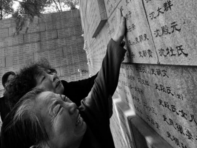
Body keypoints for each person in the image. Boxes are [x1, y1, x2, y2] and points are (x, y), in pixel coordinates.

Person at [1, 9, 126, 148]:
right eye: (57, 110)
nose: (73, 106)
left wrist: (116, 42)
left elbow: (100, 85)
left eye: (64, 99)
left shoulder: (86, 118)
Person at [7, 58, 98, 109]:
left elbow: (93, 83)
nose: (53, 76)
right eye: (43, 78)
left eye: (50, 72)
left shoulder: (64, 88)